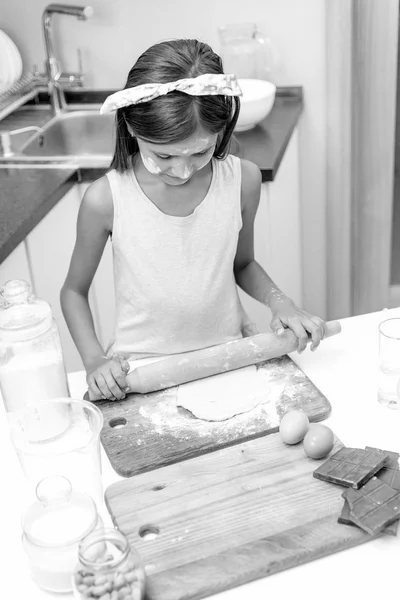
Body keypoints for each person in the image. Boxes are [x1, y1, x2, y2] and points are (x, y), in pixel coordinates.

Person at [61, 38, 326, 402]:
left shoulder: (242, 181)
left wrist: (281, 303)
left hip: (227, 356)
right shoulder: (107, 199)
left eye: (200, 151)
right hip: (140, 368)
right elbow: (73, 292)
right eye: (164, 156)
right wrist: (93, 360)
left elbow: (243, 263)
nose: (182, 170)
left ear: (222, 129)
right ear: (133, 130)